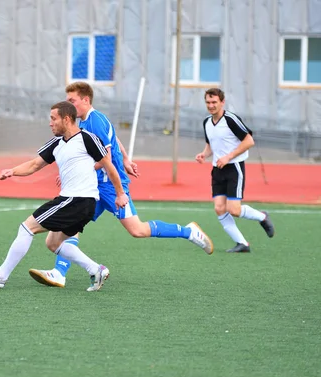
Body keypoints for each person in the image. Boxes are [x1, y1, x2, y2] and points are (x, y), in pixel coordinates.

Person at [28, 82, 213, 289]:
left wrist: (80, 169)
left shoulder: (96, 121)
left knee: (137, 230)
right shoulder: (83, 123)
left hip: (108, 187)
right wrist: (125, 158)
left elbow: (104, 156)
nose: (68, 105)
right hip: (91, 188)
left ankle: (188, 231)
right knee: (71, 228)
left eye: (72, 101)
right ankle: (59, 273)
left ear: (85, 100)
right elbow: (114, 139)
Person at [0, 101, 127, 292]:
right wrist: (12, 171)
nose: (50, 123)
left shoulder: (88, 138)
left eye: (53, 119)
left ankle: (1, 275)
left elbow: (109, 166)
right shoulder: (56, 143)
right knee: (53, 243)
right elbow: (34, 165)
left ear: (67, 119)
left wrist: (120, 194)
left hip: (78, 200)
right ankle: (96, 269)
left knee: (27, 227)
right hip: (74, 201)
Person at [195, 88, 275, 253]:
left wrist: (228, 157)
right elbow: (211, 144)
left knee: (234, 210)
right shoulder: (207, 122)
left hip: (234, 168)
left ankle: (263, 217)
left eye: (214, 102)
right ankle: (242, 244)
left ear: (222, 102)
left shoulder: (231, 119)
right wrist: (204, 154)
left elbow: (249, 141)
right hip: (217, 170)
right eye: (208, 102)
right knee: (219, 208)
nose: (211, 106)